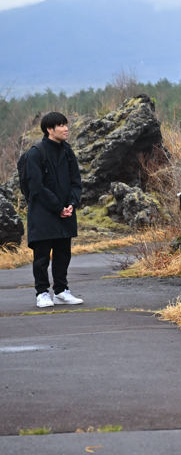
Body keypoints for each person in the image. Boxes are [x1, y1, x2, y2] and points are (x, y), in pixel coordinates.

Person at [25, 112, 84, 308]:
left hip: (65, 212)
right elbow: (36, 187)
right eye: (61, 125)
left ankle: (61, 291)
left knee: (63, 254)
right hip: (43, 213)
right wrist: (58, 208)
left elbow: (76, 181)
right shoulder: (36, 153)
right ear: (50, 129)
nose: (66, 128)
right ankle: (42, 293)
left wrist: (71, 205)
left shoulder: (67, 151)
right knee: (42, 256)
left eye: (66, 124)